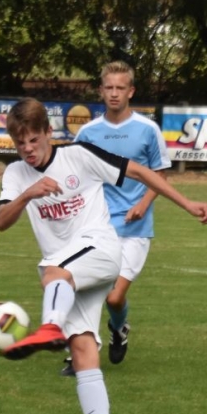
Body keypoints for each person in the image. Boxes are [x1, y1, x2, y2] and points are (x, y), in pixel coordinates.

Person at [0, 97, 207, 414]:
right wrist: (29, 193)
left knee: (52, 272)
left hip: (102, 250)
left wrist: (187, 203)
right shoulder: (15, 174)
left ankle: (49, 327)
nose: (27, 148)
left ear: (48, 132)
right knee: (82, 350)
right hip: (72, 277)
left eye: (33, 139)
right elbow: (0, 221)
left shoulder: (79, 156)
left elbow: (141, 172)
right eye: (20, 142)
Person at [55, 61, 171, 376]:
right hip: (96, 227)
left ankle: (118, 329)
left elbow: (160, 174)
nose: (114, 93)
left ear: (131, 91)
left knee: (115, 297)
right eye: (109, 87)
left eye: (121, 88)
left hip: (135, 228)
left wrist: (144, 203)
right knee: (82, 287)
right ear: (101, 90)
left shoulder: (148, 130)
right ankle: (77, 355)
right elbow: (75, 174)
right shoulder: (88, 133)